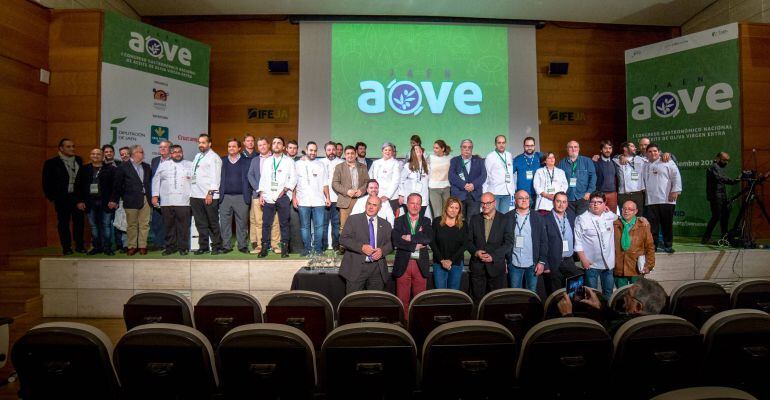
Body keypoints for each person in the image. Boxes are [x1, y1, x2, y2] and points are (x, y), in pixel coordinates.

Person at [557, 277, 668, 335]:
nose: (624, 294)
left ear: (638, 307)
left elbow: (584, 342)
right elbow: (618, 316)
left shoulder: (622, 329)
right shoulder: (661, 329)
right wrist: (600, 307)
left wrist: (568, 316)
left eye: (628, 294)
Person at [339, 195, 393, 293]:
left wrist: (382, 251)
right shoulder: (353, 220)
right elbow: (343, 239)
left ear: (380, 208)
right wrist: (361, 247)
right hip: (356, 268)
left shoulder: (385, 224)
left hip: (377, 269)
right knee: (352, 302)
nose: (371, 207)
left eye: (374, 205)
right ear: (365, 204)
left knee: (374, 303)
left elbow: (392, 243)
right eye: (369, 203)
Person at [466, 192, 513, 303]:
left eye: (488, 203)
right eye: (483, 203)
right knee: (477, 301)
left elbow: (509, 243)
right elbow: (468, 241)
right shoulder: (474, 219)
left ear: (494, 203)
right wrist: (476, 252)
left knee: (495, 303)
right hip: (478, 267)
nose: (485, 206)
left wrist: (494, 256)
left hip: (496, 267)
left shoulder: (504, 219)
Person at [43, 138, 85, 255]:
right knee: (63, 222)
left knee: (79, 222)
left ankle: (79, 246)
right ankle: (66, 247)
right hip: (62, 198)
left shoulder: (78, 160)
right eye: (68, 146)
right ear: (61, 148)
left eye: (73, 146)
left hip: (77, 197)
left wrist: (82, 198)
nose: (72, 149)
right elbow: (46, 183)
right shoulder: (51, 163)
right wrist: (53, 197)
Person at [392, 193, 433, 309]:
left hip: (420, 265)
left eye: (418, 204)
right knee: (402, 300)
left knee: (419, 301)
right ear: (407, 204)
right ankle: (403, 324)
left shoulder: (426, 220)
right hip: (403, 264)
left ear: (421, 206)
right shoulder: (399, 220)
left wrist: (409, 237)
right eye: (412, 203)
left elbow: (428, 238)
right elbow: (396, 241)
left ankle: (418, 325)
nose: (415, 206)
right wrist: (414, 246)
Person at [257, 136, 296, 258]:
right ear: (271, 146)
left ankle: (284, 249)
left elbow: (294, 178)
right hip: (268, 196)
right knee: (266, 223)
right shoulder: (268, 161)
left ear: (283, 147)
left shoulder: (289, 161)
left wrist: (285, 190)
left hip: (283, 196)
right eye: (274, 143)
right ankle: (264, 248)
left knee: (284, 223)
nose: (276, 145)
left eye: (279, 143)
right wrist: (261, 194)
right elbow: (263, 179)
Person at [109, 144, 152, 256]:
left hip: (146, 199)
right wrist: (114, 199)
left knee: (144, 224)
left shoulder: (147, 166)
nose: (143, 154)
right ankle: (132, 246)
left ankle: (142, 246)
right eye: (141, 152)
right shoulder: (123, 167)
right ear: (134, 153)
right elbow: (117, 185)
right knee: (131, 225)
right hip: (130, 199)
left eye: (142, 152)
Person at [574, 191, 618, 298]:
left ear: (604, 204)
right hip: (591, 264)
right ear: (589, 203)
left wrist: (641, 219)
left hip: (608, 264)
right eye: (593, 202)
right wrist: (583, 260)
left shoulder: (611, 216)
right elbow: (578, 242)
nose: (595, 204)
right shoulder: (581, 219)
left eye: (599, 202)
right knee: (591, 295)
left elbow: (626, 219)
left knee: (608, 293)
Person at [151, 144, 193, 255]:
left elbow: (195, 181)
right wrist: (155, 195)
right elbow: (156, 180)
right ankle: (170, 247)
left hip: (184, 201)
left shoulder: (190, 164)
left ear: (182, 152)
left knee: (183, 226)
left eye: (180, 151)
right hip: (167, 200)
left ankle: (183, 247)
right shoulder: (163, 165)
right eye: (175, 152)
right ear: (171, 154)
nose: (177, 154)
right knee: (169, 226)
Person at [74, 148, 116, 255]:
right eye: (93, 154)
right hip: (89, 202)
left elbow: (115, 187)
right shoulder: (84, 169)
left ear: (103, 156)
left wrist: (113, 200)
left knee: (106, 225)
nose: (95, 155)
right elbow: (78, 186)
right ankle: (96, 247)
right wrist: (79, 201)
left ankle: (107, 248)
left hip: (106, 202)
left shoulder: (110, 169)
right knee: (93, 226)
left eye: (98, 154)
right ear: (90, 156)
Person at [642, 143, 682, 253]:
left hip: (666, 199)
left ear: (659, 152)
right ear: (646, 154)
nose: (652, 153)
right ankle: (653, 247)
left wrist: (675, 191)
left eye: (655, 151)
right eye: (650, 151)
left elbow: (676, 176)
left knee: (667, 225)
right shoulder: (645, 165)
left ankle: (668, 245)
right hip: (650, 201)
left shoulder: (667, 161)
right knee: (653, 227)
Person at [508, 190, 549, 292]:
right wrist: (505, 261)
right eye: (521, 198)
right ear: (515, 200)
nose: (524, 200)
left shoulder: (538, 217)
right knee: (515, 294)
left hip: (532, 264)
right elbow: (504, 241)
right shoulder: (507, 217)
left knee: (531, 294)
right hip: (514, 264)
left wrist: (542, 262)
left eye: (526, 198)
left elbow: (544, 241)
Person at [189, 134, 224, 255]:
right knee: (200, 223)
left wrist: (210, 193)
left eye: (204, 142)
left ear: (210, 144)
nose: (201, 145)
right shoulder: (198, 156)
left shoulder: (214, 157)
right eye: (199, 142)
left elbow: (216, 178)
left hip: (208, 195)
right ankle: (203, 246)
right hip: (195, 195)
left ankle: (217, 246)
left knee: (212, 223)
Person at [294, 141, 331, 255]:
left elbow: (325, 183)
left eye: (315, 150)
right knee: (305, 227)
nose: (313, 152)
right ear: (306, 150)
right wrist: (294, 197)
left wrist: (328, 198)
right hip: (303, 200)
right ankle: (307, 249)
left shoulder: (321, 165)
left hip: (319, 201)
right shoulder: (298, 164)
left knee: (319, 227)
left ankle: (318, 249)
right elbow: (294, 183)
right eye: (311, 150)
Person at [247, 137, 281, 254]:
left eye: (264, 144)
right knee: (259, 222)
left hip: (273, 195)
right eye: (260, 145)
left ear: (269, 145)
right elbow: (250, 176)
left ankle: (275, 245)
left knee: (275, 221)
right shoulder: (255, 160)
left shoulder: (276, 159)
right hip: (258, 195)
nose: (262, 147)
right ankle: (260, 246)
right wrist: (259, 190)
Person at [219, 138, 251, 254]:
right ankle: (226, 246)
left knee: (242, 223)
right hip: (225, 197)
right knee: (224, 223)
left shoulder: (247, 161)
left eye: (233, 146)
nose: (231, 148)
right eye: (229, 146)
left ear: (239, 148)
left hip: (241, 197)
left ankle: (242, 246)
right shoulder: (221, 161)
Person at [543, 192, 580, 294]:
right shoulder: (545, 219)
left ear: (567, 204)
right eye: (558, 201)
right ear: (553, 202)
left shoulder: (571, 216)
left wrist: (605, 210)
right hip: (554, 262)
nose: (561, 205)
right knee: (557, 294)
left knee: (575, 292)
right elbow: (543, 244)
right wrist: (545, 264)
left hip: (569, 261)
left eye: (564, 202)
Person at [332, 146, 369, 247]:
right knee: (344, 226)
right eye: (348, 153)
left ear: (356, 154)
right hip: (345, 200)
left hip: (360, 200)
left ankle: (360, 247)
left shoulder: (363, 167)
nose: (350, 155)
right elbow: (335, 183)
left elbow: (367, 182)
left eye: (352, 153)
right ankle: (343, 247)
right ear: (345, 154)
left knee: (360, 226)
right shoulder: (339, 167)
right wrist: (347, 191)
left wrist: (361, 190)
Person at [614, 200, 655, 288]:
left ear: (636, 211)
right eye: (624, 208)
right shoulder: (614, 224)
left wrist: (649, 265)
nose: (626, 211)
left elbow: (650, 247)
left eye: (630, 209)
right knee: (621, 296)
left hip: (636, 267)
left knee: (637, 295)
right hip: (619, 267)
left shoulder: (643, 225)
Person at [702, 152, 739, 245]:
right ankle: (706, 238)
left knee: (725, 216)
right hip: (716, 196)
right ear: (718, 158)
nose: (726, 162)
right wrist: (733, 181)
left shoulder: (718, 167)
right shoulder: (714, 167)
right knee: (716, 216)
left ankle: (724, 237)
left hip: (722, 196)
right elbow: (720, 178)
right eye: (724, 160)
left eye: (727, 161)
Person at [430, 197, 467, 290]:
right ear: (446, 207)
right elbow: (432, 242)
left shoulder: (464, 224)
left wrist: (451, 260)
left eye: (456, 208)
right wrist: (441, 260)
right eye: (451, 207)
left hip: (456, 263)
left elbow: (465, 244)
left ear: (459, 210)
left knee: (454, 293)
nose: (453, 210)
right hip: (439, 263)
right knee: (440, 292)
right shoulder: (436, 222)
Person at [449, 139, 486, 222]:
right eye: (464, 147)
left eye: (469, 147)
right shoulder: (455, 160)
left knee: (473, 222)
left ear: (472, 149)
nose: (467, 149)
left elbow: (483, 176)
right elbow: (451, 176)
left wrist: (473, 185)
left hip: (474, 196)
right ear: (461, 148)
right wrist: (464, 185)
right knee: (459, 222)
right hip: (459, 195)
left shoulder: (479, 160)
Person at [557, 140, 596, 215]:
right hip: (568, 198)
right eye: (570, 147)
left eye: (575, 147)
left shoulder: (587, 161)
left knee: (583, 222)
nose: (573, 149)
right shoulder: (561, 163)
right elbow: (557, 180)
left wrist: (589, 192)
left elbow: (593, 177)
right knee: (570, 221)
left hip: (583, 197)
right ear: (567, 149)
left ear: (579, 149)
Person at [484, 135, 516, 213]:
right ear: (495, 144)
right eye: (499, 143)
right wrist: (485, 193)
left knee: (504, 217)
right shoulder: (490, 157)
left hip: (507, 193)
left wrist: (512, 190)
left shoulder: (509, 155)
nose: (501, 145)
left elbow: (510, 174)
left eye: (503, 143)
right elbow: (486, 176)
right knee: (494, 217)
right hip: (494, 193)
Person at [149, 139, 172, 251]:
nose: (162, 149)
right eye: (160, 147)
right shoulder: (154, 161)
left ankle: (168, 243)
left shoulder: (175, 160)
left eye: (165, 147)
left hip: (170, 196)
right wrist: (154, 195)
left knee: (168, 221)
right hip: (156, 196)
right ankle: (158, 243)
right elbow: (152, 179)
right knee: (156, 221)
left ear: (170, 149)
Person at [321, 141, 344, 250]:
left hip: (338, 199)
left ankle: (336, 246)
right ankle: (324, 246)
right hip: (322, 199)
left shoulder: (342, 163)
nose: (331, 152)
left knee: (336, 225)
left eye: (333, 150)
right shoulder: (319, 162)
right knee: (323, 225)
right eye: (329, 150)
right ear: (325, 151)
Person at [369, 142, 402, 215]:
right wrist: (373, 192)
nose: (387, 152)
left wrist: (387, 195)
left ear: (392, 152)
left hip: (391, 196)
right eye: (385, 150)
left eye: (390, 150)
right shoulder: (376, 163)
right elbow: (371, 177)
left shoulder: (395, 163)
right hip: (377, 195)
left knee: (391, 218)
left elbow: (395, 181)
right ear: (382, 151)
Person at [399, 145, 430, 218]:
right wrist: (401, 194)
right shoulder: (408, 165)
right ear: (413, 152)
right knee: (409, 220)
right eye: (416, 149)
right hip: (410, 198)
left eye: (419, 149)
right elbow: (401, 180)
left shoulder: (427, 166)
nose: (418, 150)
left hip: (423, 199)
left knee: (420, 220)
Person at [512, 136, 543, 208]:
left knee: (535, 218)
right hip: (522, 196)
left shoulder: (540, 157)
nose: (529, 148)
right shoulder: (518, 159)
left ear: (534, 146)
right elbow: (509, 174)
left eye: (532, 145)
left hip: (538, 194)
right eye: (527, 146)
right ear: (523, 146)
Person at [616, 141, 646, 213]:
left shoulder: (640, 159)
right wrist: (620, 156)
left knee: (639, 217)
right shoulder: (616, 160)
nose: (635, 148)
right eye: (632, 146)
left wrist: (668, 155)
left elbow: (654, 158)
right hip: (623, 194)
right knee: (624, 216)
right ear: (625, 148)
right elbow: (611, 158)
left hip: (637, 194)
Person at [428, 139, 452, 219]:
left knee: (447, 212)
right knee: (437, 214)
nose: (434, 150)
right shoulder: (430, 158)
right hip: (434, 189)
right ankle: (437, 231)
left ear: (443, 149)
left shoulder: (449, 158)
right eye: (434, 148)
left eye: (437, 148)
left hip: (446, 188)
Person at [594, 140, 619, 213]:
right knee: (599, 215)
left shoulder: (614, 162)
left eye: (610, 148)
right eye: (605, 148)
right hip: (600, 194)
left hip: (613, 194)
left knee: (612, 216)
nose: (608, 150)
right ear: (601, 150)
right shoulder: (596, 162)